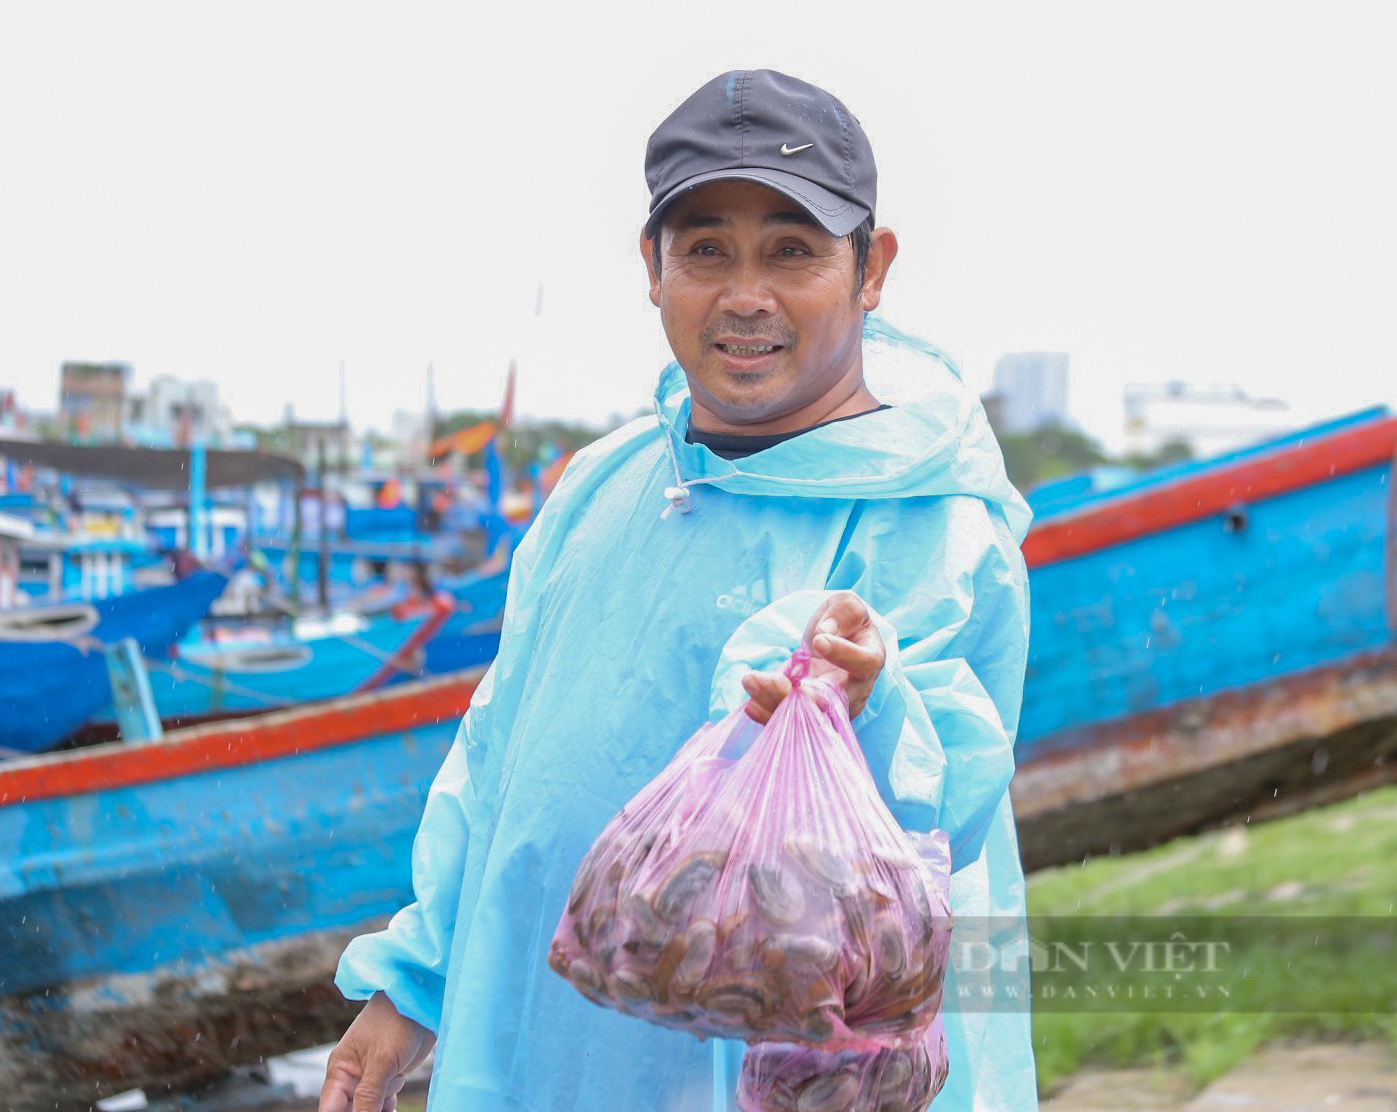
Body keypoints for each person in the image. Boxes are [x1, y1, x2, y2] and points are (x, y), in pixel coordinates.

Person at [320, 69, 1036, 1112]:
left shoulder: (928, 521)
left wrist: (872, 699)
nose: (747, 293)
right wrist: (411, 983)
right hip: (543, 1047)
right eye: (707, 249)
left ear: (871, 267)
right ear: (653, 266)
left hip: (785, 1075)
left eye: (793, 250)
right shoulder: (602, 485)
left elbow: (948, 807)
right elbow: (499, 758)